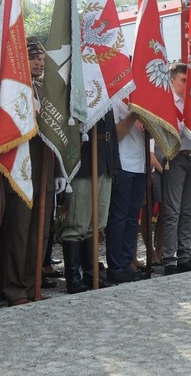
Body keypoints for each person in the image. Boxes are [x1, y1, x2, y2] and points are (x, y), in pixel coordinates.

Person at [0, 37, 66, 306]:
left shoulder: (43, 89)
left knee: (40, 229)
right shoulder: (12, 90)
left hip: (44, 167)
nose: (39, 62)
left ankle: (32, 283)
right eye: (32, 58)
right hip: (22, 167)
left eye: (41, 58)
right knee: (19, 230)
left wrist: (60, 168)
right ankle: (14, 288)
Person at [61, 109, 119, 292]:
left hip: (105, 162)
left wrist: (115, 164)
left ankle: (91, 274)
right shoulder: (80, 90)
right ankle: (72, 277)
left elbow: (112, 134)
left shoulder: (108, 94)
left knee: (96, 224)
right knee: (77, 222)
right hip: (84, 163)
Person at [105, 99, 147, 283]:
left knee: (132, 219)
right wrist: (135, 114)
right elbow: (117, 134)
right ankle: (115, 267)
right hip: (123, 164)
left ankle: (127, 262)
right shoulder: (115, 101)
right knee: (119, 218)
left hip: (141, 165)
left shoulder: (141, 97)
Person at [161, 63, 191, 275]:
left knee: (188, 211)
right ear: (172, 80)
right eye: (183, 80)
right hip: (175, 155)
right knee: (173, 210)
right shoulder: (167, 101)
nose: (187, 83)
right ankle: (169, 258)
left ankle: (185, 255)